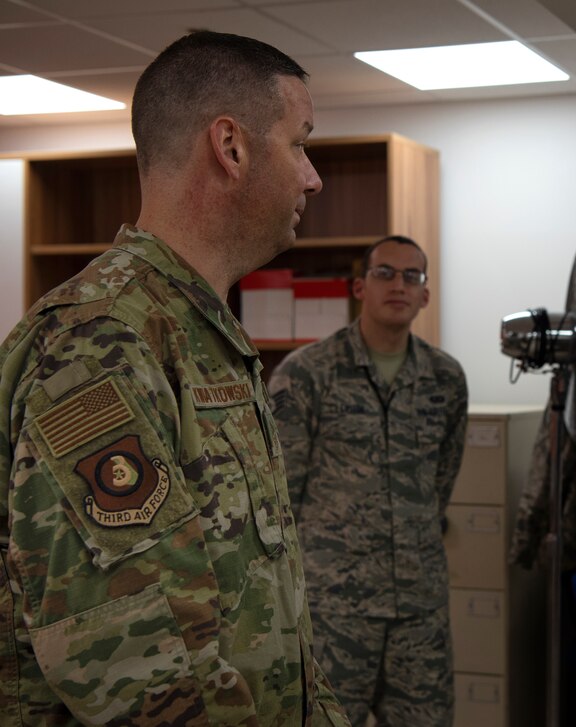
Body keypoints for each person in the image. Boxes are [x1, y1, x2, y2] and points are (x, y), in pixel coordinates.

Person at [0, 30, 348, 725]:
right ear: (232, 147)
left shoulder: (198, 329)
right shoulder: (101, 339)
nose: (313, 177)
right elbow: (136, 662)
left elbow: (265, 617)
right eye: (300, 143)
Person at [269, 235, 469, 726]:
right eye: (384, 273)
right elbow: (281, 497)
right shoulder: (307, 374)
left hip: (419, 611)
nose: (398, 285)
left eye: (411, 276)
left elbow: (442, 480)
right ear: (360, 286)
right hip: (334, 608)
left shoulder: (445, 378)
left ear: (425, 293)